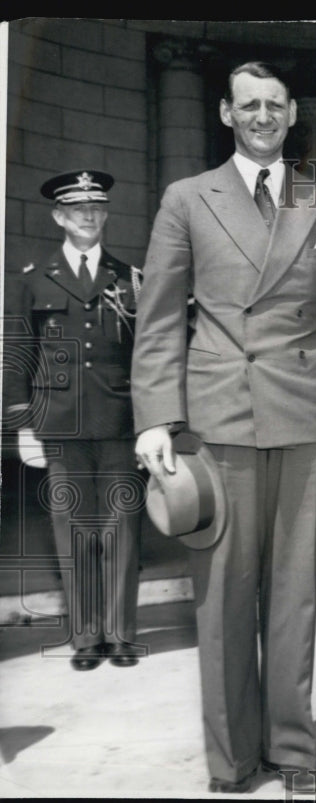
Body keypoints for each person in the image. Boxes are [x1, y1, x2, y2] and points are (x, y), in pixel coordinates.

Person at [131, 61, 316, 794]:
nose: (263, 116)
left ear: (292, 114)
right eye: (249, 105)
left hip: (304, 414)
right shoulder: (187, 198)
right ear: (226, 114)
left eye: (274, 104)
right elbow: (159, 317)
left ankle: (293, 749)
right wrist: (155, 418)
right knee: (225, 597)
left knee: (295, 594)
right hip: (221, 418)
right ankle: (232, 758)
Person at [3, 170, 143, 671]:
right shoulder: (32, 279)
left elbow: (145, 357)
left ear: (105, 215)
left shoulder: (130, 278)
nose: (88, 215)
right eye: (78, 209)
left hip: (119, 420)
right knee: (72, 527)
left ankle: (120, 634)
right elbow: (17, 355)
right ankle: (86, 638)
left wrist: (153, 425)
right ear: (58, 217)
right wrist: (23, 426)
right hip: (59, 424)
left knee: (122, 526)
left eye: (97, 208)